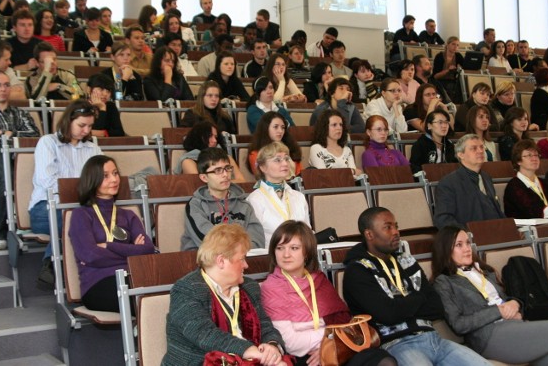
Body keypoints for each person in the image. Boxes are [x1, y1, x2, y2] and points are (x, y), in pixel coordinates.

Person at [431, 226, 548, 365]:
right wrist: (499, 311)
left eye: (468, 243)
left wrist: (515, 303)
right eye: (459, 245)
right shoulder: (444, 282)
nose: (467, 249)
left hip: (514, 326)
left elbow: (506, 299)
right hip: (489, 336)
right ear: (446, 250)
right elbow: (459, 324)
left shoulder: (484, 271)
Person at [343, 207, 489, 366]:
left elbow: (437, 308)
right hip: (397, 345)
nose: (396, 232)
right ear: (369, 234)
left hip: (435, 340)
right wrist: (419, 297)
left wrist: (401, 305)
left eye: (396, 226)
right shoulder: (357, 271)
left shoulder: (406, 260)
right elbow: (388, 315)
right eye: (388, 227)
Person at [261, 220, 397, 366]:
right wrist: (328, 339)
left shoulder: (318, 279)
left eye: (294, 248)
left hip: (337, 347)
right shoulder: (271, 287)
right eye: (280, 248)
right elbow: (290, 342)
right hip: (303, 356)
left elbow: (344, 321)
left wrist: (330, 344)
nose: (286, 254)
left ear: (306, 252)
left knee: (383, 360)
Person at [163, 224, 287, 366]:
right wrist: (249, 350)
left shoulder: (249, 287)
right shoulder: (186, 290)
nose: (246, 265)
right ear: (221, 261)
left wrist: (272, 346)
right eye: (241, 259)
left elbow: (265, 325)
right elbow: (205, 334)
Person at [29, 101, 102, 286]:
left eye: (90, 126)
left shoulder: (92, 148)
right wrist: (84, 191)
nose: (86, 131)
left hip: (80, 209)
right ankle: (58, 266)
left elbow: (100, 179)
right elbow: (49, 182)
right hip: (45, 209)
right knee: (77, 220)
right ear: (68, 121)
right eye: (81, 125)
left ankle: (50, 264)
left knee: (81, 219)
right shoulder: (48, 142)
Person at [69, 155, 155, 311]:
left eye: (115, 173)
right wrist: (132, 252)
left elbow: (147, 249)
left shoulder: (129, 215)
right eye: (106, 176)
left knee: (162, 294)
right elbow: (90, 255)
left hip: (133, 276)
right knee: (147, 303)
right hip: (98, 283)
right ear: (92, 180)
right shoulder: (81, 215)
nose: (114, 179)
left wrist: (108, 246)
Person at [0, 70, 40, 250]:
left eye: (6, 85)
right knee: (8, 175)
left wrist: (10, 134)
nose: (3, 89)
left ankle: (33, 225)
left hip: (20, 157)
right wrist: (12, 137)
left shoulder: (20, 113)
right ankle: (1, 235)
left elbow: (34, 134)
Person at [182, 148, 264, 250]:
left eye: (227, 168)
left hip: (241, 260)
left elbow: (257, 239)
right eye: (218, 171)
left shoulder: (244, 204)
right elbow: (207, 240)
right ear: (204, 177)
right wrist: (236, 250)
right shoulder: (195, 205)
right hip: (204, 261)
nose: (225, 175)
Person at [433, 134, 505, 229]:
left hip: (495, 233)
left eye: (482, 147)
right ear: (460, 154)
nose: (480, 151)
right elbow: (443, 219)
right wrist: (467, 235)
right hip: (470, 237)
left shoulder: (486, 178)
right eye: (473, 148)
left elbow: (496, 211)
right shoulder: (448, 183)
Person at [247, 144, 310, 247]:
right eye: (278, 160)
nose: (285, 163)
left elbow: (307, 232)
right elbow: (255, 241)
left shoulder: (299, 196)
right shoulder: (254, 200)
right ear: (263, 167)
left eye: (286, 158)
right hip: (270, 257)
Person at [174, 121, 246, 182]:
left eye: (215, 137)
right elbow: (199, 185)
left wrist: (221, 184)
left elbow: (242, 181)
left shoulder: (227, 157)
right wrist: (224, 183)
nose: (214, 141)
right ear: (198, 137)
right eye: (209, 136)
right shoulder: (188, 161)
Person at [249, 111, 302, 176]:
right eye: (275, 127)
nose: (280, 131)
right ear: (265, 128)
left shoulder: (291, 148)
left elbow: (300, 173)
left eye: (283, 127)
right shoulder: (256, 154)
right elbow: (263, 177)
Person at [309, 109, 361, 175]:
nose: (339, 128)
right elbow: (323, 175)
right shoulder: (316, 148)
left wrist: (352, 172)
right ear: (324, 127)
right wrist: (352, 171)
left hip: (348, 184)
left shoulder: (347, 150)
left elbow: (354, 177)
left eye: (341, 125)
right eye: (334, 125)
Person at [410, 109, 457, 173]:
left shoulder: (449, 145)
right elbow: (415, 169)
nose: (444, 126)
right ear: (429, 126)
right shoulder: (420, 145)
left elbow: (454, 166)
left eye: (446, 122)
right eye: (440, 122)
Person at [432, 36, 464, 104]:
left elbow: (465, 67)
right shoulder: (440, 56)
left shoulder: (458, 56)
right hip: (440, 81)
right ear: (447, 45)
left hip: (453, 81)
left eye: (457, 45)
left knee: (460, 86)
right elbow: (435, 76)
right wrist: (448, 70)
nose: (455, 47)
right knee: (451, 87)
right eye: (453, 44)